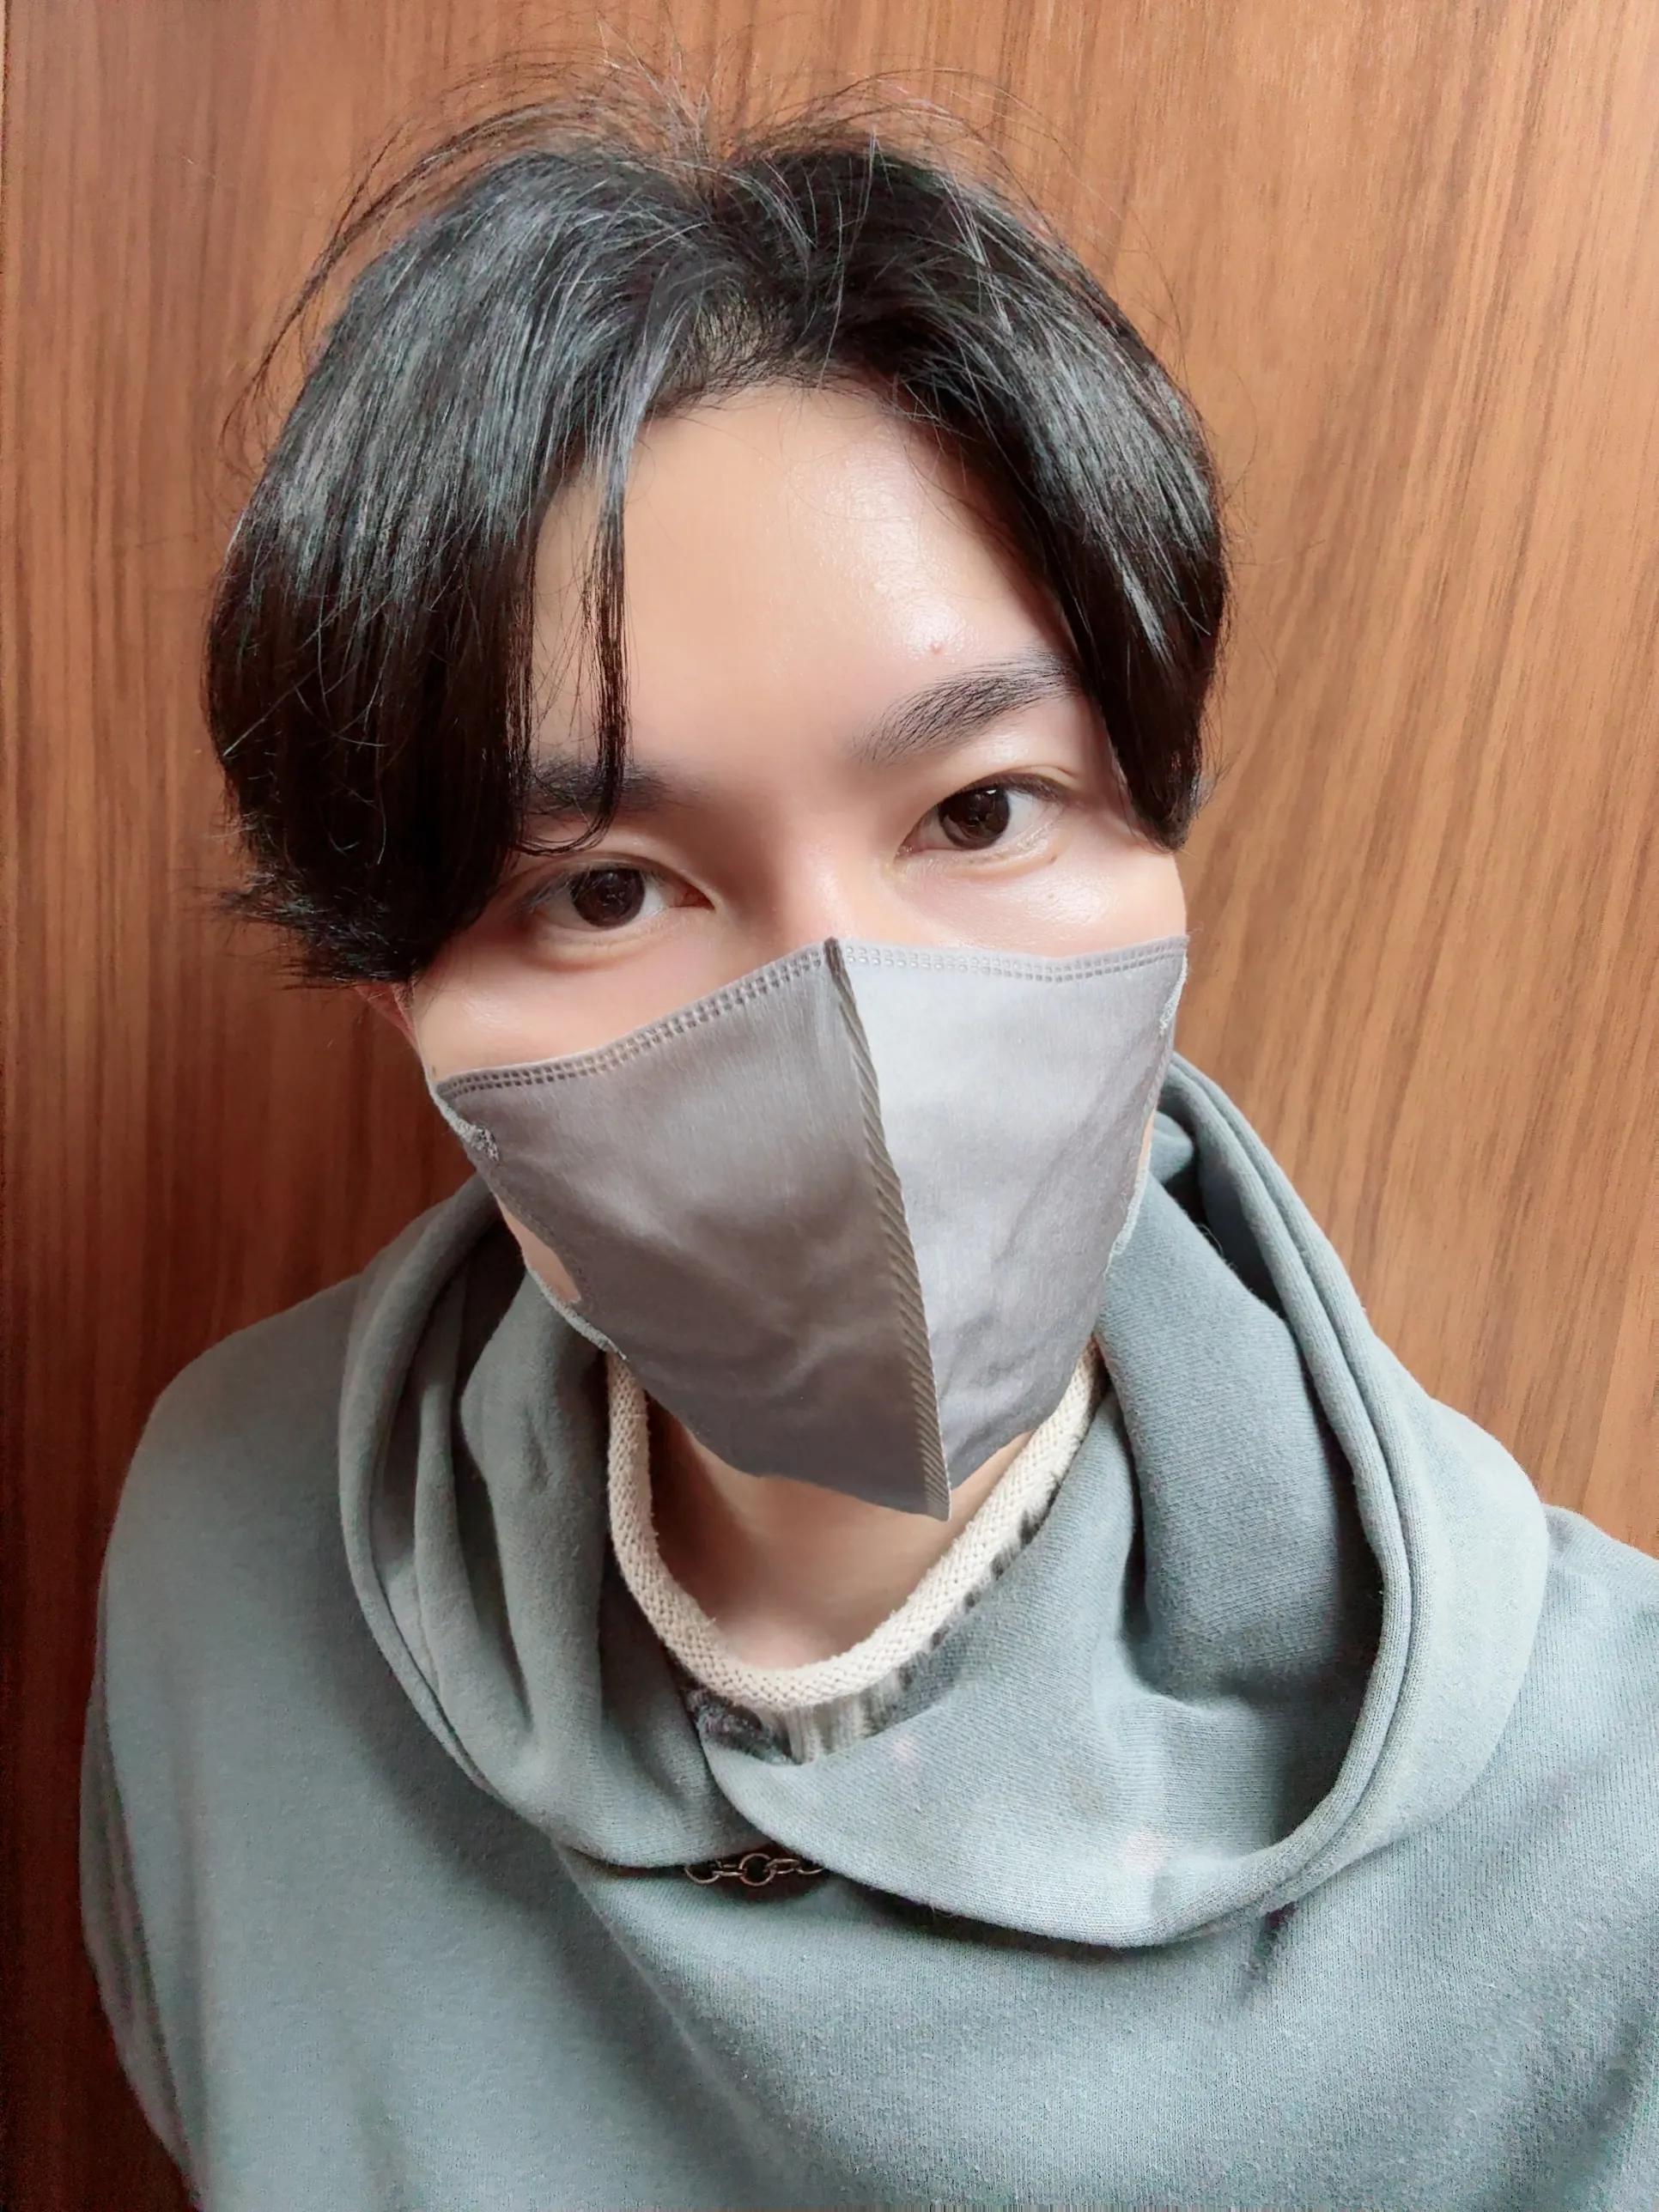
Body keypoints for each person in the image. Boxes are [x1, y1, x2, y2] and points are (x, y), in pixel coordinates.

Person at [82, 88, 1659, 2212]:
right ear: (403, 1011)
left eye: (982, 809)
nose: (855, 1029)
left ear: (1161, 845)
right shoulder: (229, 1558)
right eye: (610, 887)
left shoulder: (1611, 1842)